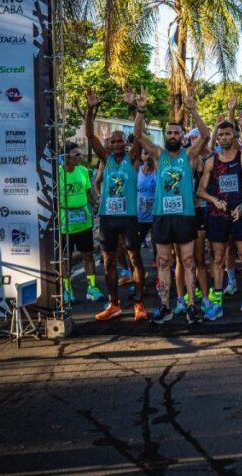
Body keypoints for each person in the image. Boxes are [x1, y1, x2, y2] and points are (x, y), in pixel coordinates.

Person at [131, 88, 210, 325]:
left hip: (185, 215)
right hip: (162, 216)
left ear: (182, 136)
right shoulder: (158, 154)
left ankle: (192, 305)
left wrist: (193, 109)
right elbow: (137, 135)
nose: (173, 135)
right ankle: (165, 305)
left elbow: (205, 135)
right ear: (165, 136)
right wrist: (140, 110)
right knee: (163, 262)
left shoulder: (189, 155)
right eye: (169, 132)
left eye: (177, 132)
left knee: (188, 261)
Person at [85, 88, 146, 321]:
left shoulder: (133, 159)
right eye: (114, 141)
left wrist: (136, 109)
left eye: (121, 141)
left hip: (128, 217)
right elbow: (90, 136)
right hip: (108, 218)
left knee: (134, 258)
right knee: (108, 261)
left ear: (125, 144)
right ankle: (114, 304)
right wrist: (90, 109)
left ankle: (139, 303)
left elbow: (138, 135)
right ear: (109, 144)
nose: (118, 144)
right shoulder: (106, 159)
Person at [197, 119, 242, 320]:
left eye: (227, 134)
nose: (224, 138)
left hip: (239, 214)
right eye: (221, 135)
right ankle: (217, 303)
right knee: (218, 258)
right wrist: (214, 200)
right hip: (218, 215)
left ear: (234, 136)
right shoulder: (211, 161)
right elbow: (200, 191)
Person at [57, 142, 101, 306]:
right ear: (66, 156)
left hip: (83, 221)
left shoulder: (83, 171)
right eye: (76, 154)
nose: (80, 157)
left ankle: (92, 287)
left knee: (88, 255)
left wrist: (95, 204)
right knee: (65, 258)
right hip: (65, 223)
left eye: (80, 154)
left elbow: (88, 192)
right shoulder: (57, 173)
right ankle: (67, 289)